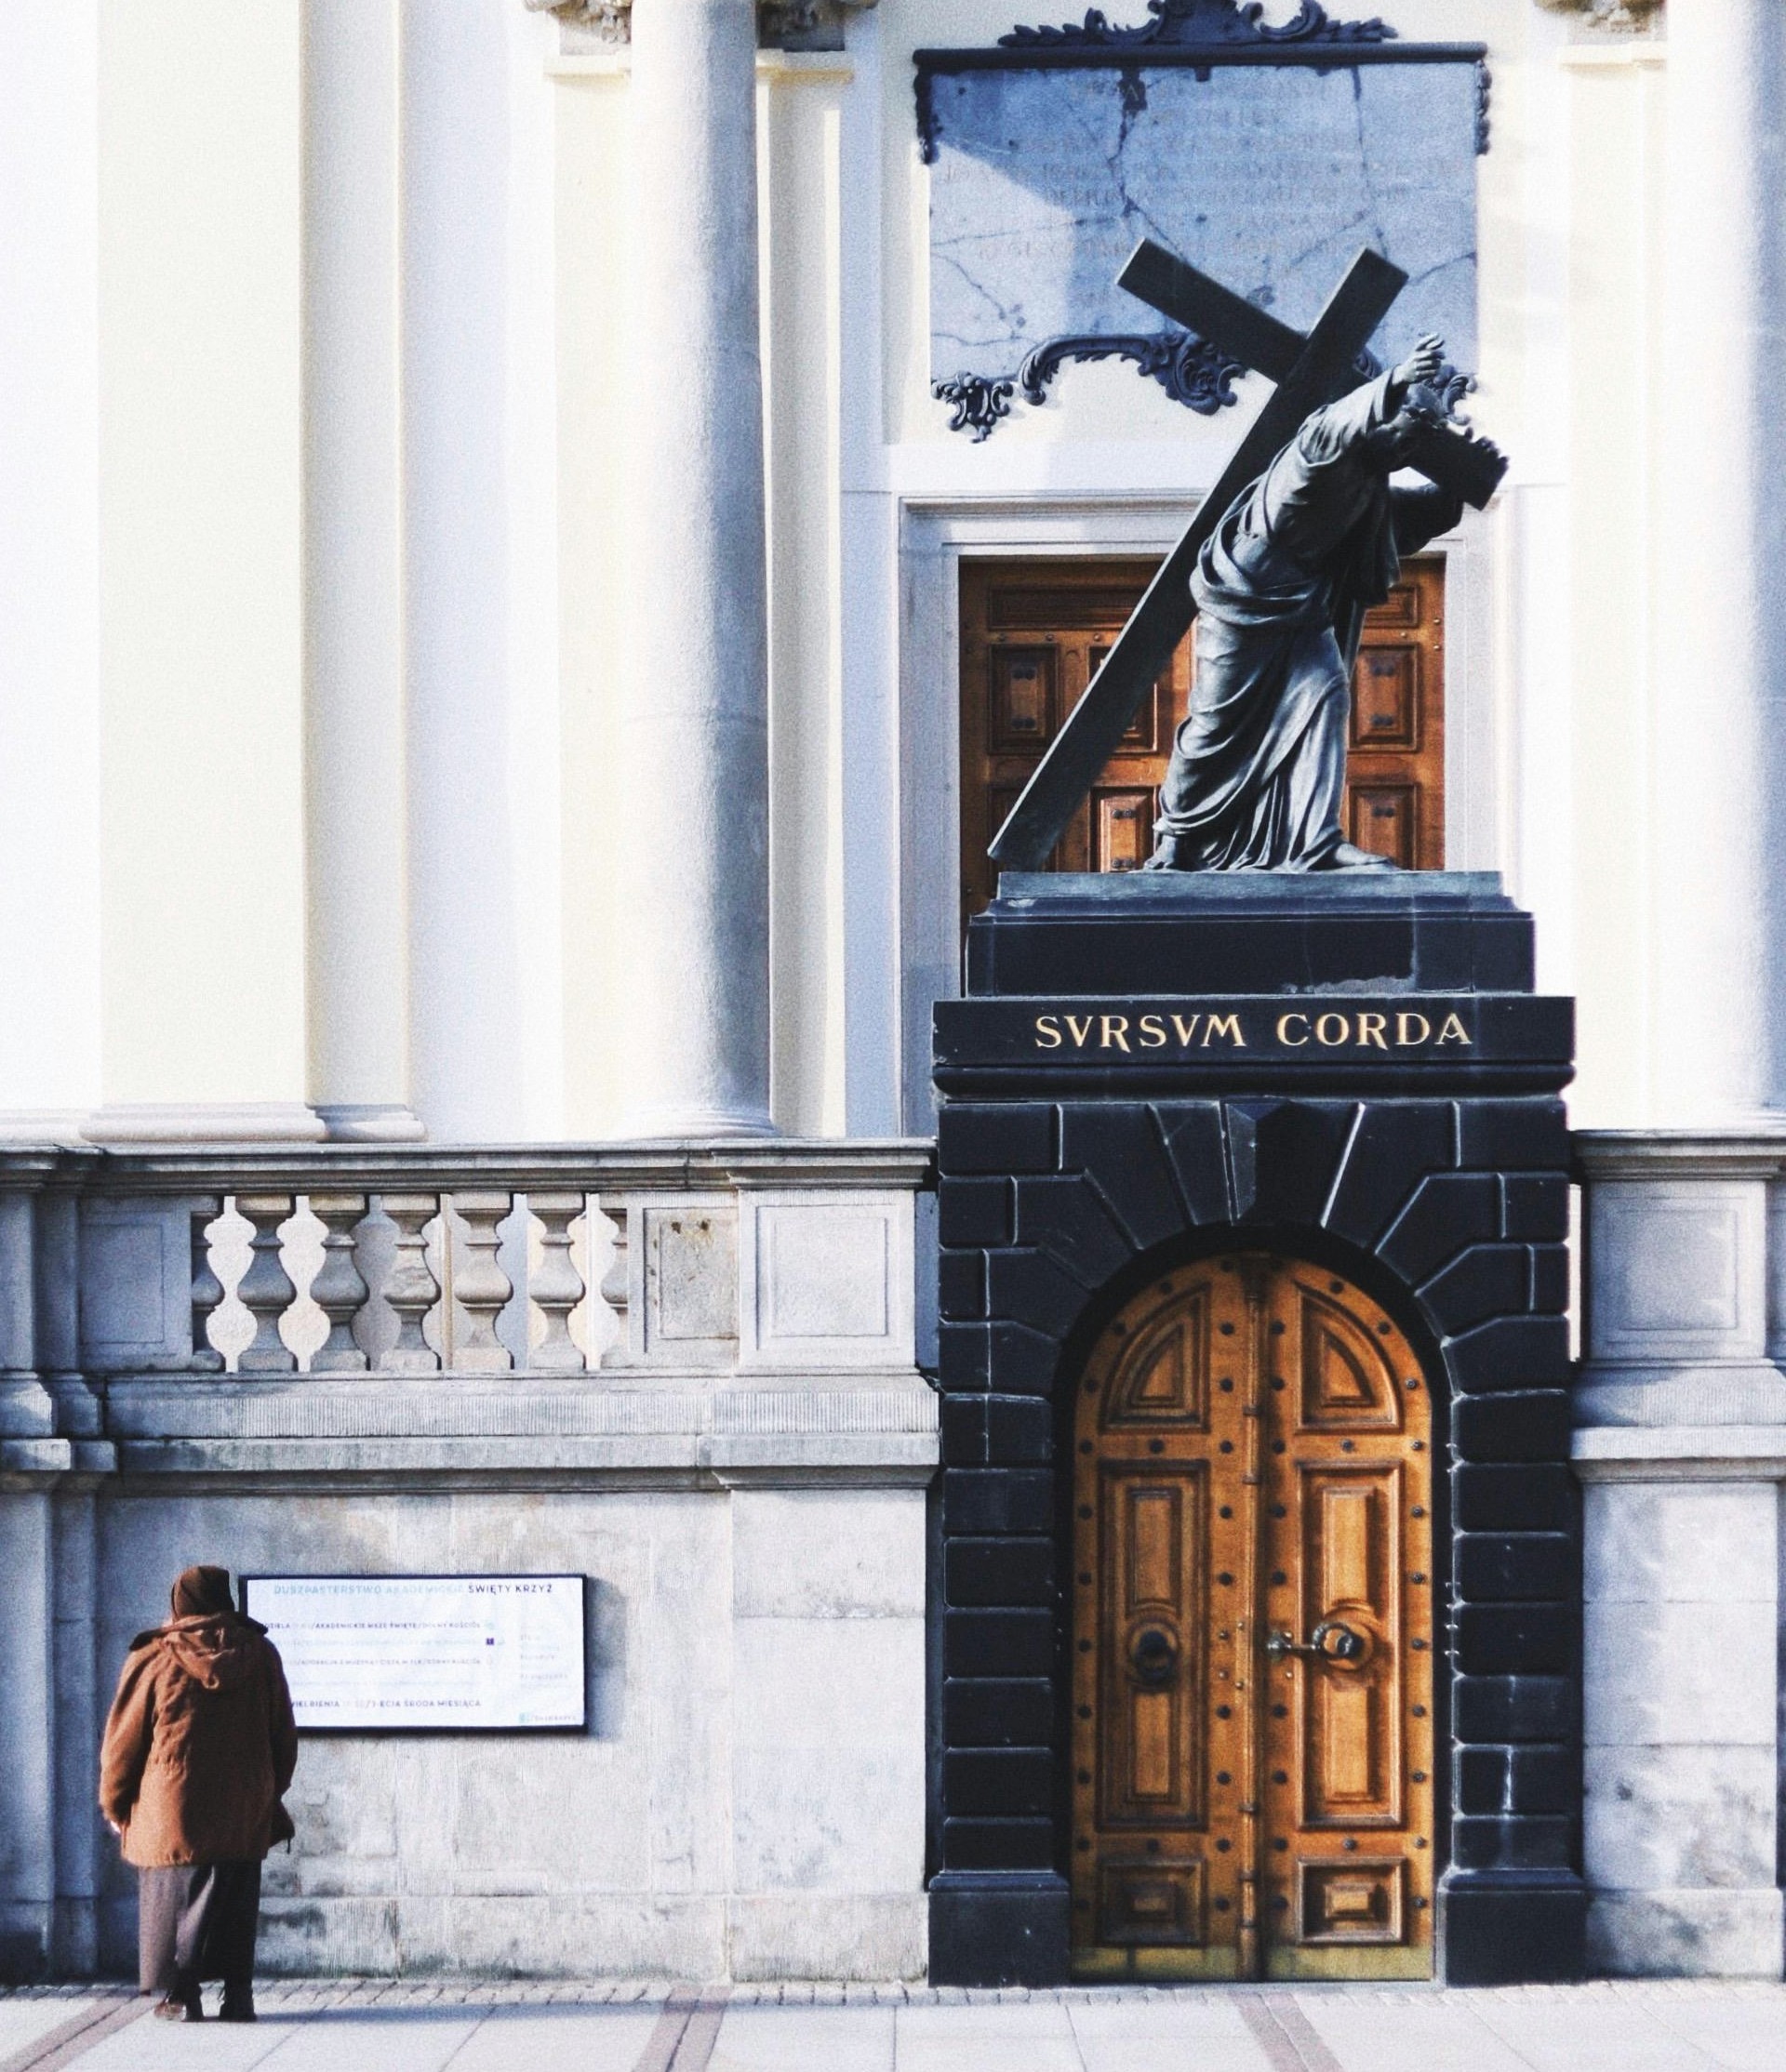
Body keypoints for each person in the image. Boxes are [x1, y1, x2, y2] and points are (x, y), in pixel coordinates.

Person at [1146, 334, 1497, 871]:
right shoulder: (1320, 448)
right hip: (1244, 595)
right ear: (1380, 419)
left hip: (1302, 604)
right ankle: (1176, 836)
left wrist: (1456, 487)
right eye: (1403, 436)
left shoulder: (1369, 485)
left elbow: (1407, 520)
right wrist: (1395, 380)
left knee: (1328, 693)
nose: (1404, 452)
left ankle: (1317, 841)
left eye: (1414, 449)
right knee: (1216, 723)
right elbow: (1337, 423)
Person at [99, 1565, 298, 2024]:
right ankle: (239, 1997)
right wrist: (267, 1790)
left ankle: (181, 1996)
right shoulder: (260, 1654)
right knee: (236, 1900)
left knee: (175, 1904)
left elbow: (123, 1744)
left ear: (179, 1603)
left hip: (174, 1811)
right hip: (244, 1807)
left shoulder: (155, 1657)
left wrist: (115, 1802)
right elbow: (283, 1735)